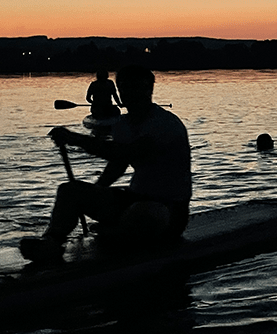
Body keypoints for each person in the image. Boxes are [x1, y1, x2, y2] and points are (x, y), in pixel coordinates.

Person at [21, 65, 191, 263]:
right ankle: (52, 243)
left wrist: (76, 139)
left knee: (143, 212)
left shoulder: (165, 124)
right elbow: (117, 165)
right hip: (133, 200)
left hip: (169, 212)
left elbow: (126, 152)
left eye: (138, 88)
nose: (131, 94)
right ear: (119, 91)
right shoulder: (122, 125)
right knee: (70, 191)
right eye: (125, 89)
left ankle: (116, 233)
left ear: (149, 90)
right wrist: (93, 195)